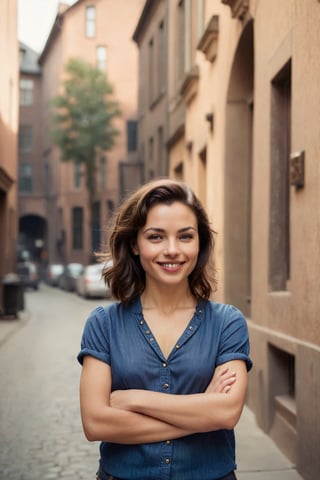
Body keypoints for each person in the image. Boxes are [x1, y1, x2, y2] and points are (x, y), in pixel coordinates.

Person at [78, 178, 252, 480]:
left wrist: (133, 399)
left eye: (185, 237)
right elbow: (96, 424)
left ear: (200, 243)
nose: (172, 250)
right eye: (156, 237)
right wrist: (201, 412)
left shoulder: (228, 323)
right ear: (134, 243)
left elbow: (226, 414)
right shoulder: (103, 325)